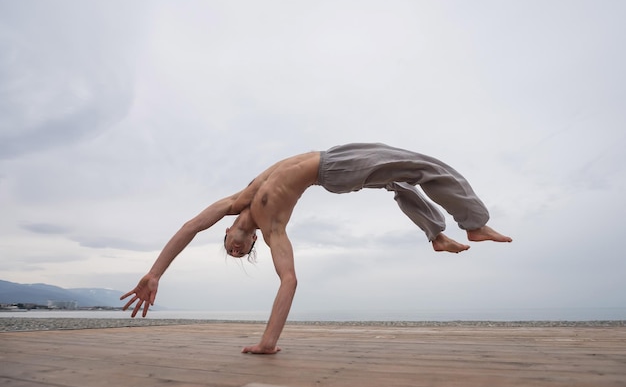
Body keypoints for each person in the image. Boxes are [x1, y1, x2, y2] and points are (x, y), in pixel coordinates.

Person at [121, 143, 512, 354]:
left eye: (232, 250)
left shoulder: (234, 203)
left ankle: (436, 234)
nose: (236, 251)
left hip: (334, 161)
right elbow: (288, 281)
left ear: (228, 233)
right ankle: (474, 225)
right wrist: (268, 342)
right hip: (332, 168)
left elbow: (189, 227)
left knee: (402, 179)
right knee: (417, 165)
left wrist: (154, 273)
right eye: (239, 256)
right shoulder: (273, 229)